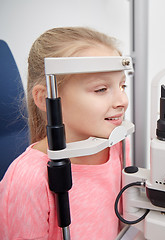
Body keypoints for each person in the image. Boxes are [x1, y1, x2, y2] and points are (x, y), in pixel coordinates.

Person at [0, 27, 131, 239]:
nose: (123, 101)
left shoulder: (117, 146)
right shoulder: (28, 179)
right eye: (101, 89)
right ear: (45, 98)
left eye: (122, 86)